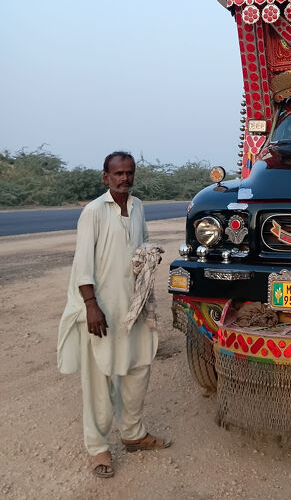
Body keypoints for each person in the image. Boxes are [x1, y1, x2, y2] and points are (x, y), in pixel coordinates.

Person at [57, 152, 170, 479]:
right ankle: (98, 448)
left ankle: (133, 434)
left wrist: (149, 256)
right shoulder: (93, 212)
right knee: (99, 378)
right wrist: (91, 305)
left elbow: (142, 245)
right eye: (118, 173)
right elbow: (82, 264)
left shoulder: (138, 207)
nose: (124, 178)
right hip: (102, 310)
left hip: (133, 307)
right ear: (106, 177)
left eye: (129, 173)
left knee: (139, 367)